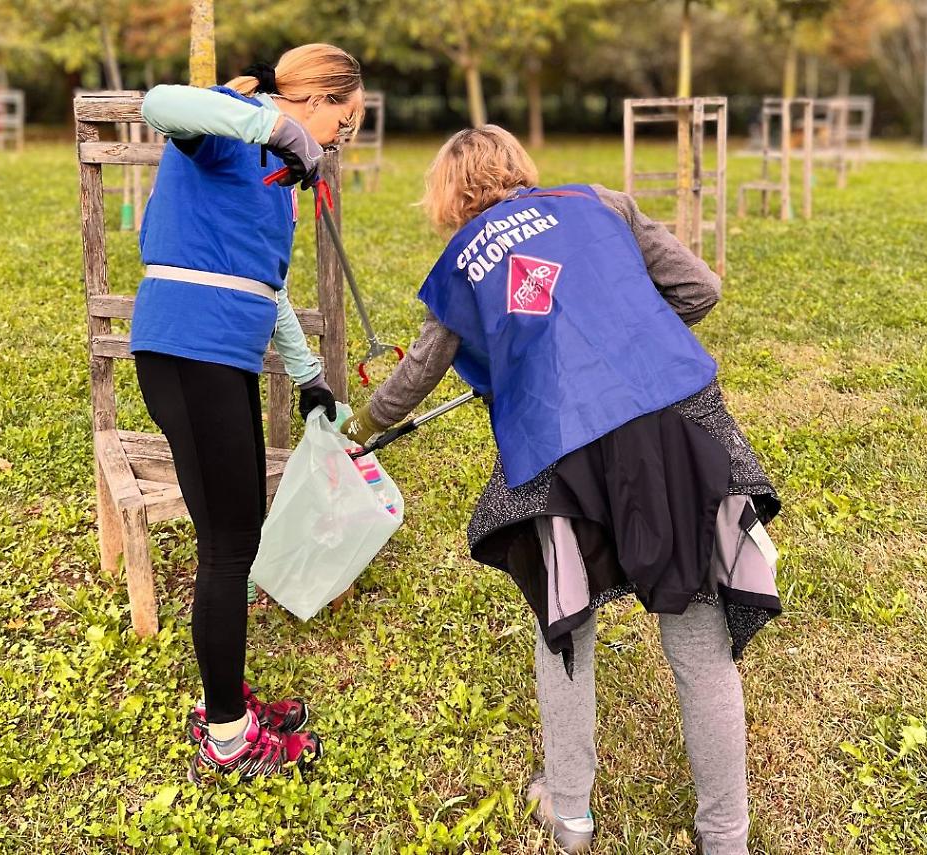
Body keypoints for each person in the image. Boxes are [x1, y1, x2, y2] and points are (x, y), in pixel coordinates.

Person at [342, 126, 782, 854]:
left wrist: (359, 423)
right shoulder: (599, 201)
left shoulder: (463, 260)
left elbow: (415, 374)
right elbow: (700, 289)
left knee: (565, 624)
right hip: (676, 422)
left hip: (562, 446)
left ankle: (570, 813)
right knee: (700, 637)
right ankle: (725, 837)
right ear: (521, 168)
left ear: (452, 195)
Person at [131, 43, 364, 784]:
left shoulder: (279, 178)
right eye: (344, 123)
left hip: (222, 354)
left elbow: (265, 286)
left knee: (238, 534)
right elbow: (159, 103)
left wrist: (309, 380)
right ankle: (227, 735)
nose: (338, 141)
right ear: (320, 99)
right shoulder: (237, 125)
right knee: (230, 547)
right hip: (187, 351)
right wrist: (273, 128)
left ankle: (224, 697)